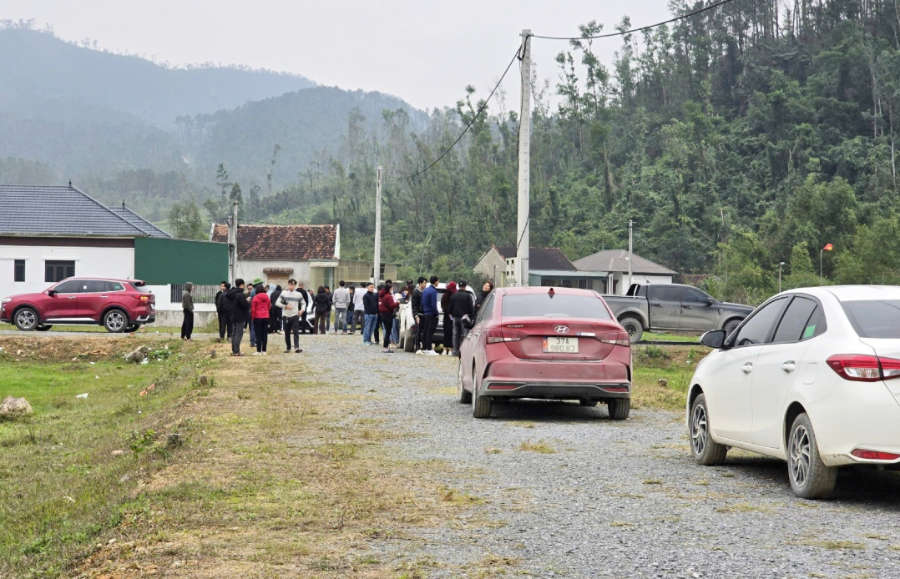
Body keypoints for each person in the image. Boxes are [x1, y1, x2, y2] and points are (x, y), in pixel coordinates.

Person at [278, 278, 305, 353]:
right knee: (287, 332)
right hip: (286, 315)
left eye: (292, 285)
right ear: (288, 285)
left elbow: (303, 303)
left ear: (295, 285)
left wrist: (302, 310)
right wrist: (285, 306)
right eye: (289, 284)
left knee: (296, 332)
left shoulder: (298, 294)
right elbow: (277, 303)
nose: (291, 286)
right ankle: (288, 347)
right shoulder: (284, 293)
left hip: (295, 315)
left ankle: (296, 347)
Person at [449, 280, 475, 356]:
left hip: (455, 317)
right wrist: (471, 316)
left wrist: (453, 313)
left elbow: (450, 308)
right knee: (464, 334)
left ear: (458, 286)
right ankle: (463, 351)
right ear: (465, 286)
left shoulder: (453, 295)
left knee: (455, 335)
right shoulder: (468, 296)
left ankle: (455, 351)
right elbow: (471, 308)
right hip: (465, 318)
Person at [226, 279, 250, 356]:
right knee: (239, 334)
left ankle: (234, 350)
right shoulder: (240, 294)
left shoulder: (231, 293)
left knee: (234, 333)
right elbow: (245, 305)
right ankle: (237, 351)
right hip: (240, 316)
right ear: (242, 285)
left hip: (232, 315)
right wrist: (247, 302)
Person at [420, 276, 439, 355]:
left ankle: (424, 347)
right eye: (438, 281)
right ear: (435, 282)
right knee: (430, 332)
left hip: (425, 313)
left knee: (425, 331)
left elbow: (422, 302)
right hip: (431, 314)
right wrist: (436, 313)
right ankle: (429, 348)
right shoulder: (433, 291)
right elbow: (433, 304)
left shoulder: (425, 290)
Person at [378, 280, 399, 353]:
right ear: (390, 288)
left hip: (383, 315)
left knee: (386, 330)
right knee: (388, 331)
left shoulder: (382, 295)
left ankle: (385, 346)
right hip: (388, 315)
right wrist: (397, 303)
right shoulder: (388, 296)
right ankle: (385, 347)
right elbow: (392, 306)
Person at [251, 281, 271, 355]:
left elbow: (253, 309)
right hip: (266, 316)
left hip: (257, 317)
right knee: (264, 334)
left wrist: (253, 318)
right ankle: (264, 350)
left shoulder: (255, 298)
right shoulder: (267, 297)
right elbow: (269, 307)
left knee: (258, 334)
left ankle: (258, 351)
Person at [411, 277, 426, 351]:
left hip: (424, 314)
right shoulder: (416, 292)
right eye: (424, 283)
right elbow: (414, 305)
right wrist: (416, 315)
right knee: (418, 331)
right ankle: (417, 346)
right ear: (420, 283)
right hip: (418, 315)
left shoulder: (424, 291)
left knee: (422, 331)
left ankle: (422, 346)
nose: (425, 284)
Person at [440, 281, 456, 355]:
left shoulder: (455, 294)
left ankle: (451, 349)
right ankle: (445, 348)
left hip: (453, 316)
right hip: (447, 316)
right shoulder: (446, 295)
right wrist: (449, 313)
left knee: (453, 333)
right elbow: (444, 306)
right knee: (447, 333)